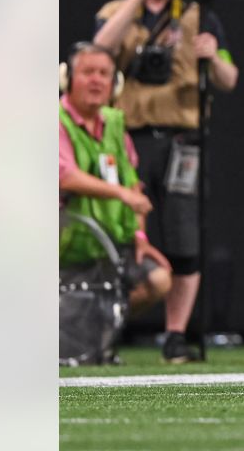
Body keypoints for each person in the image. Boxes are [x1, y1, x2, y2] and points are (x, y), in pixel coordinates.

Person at [93, 0, 240, 363]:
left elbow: (230, 80)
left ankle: (175, 334)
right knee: (116, 236)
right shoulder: (117, 9)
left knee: (184, 240)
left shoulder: (199, 12)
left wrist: (212, 56)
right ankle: (101, 328)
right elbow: (97, 50)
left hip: (181, 141)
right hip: (127, 142)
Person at [60, 42, 172, 317]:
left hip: (109, 247)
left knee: (158, 280)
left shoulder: (115, 125)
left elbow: (134, 186)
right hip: (64, 248)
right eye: (88, 72)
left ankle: (94, 329)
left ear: (115, 83)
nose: (96, 80)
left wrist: (140, 236)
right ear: (68, 79)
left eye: (104, 73)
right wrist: (120, 194)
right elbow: (65, 176)